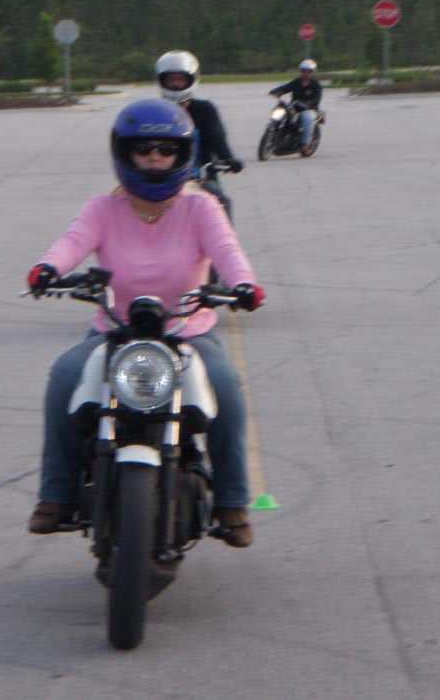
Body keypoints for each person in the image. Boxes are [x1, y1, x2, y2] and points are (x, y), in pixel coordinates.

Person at [25, 98, 267, 548]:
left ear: (183, 153)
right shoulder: (103, 208)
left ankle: (232, 502)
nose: (155, 158)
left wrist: (244, 285)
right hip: (114, 332)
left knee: (226, 387)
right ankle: (56, 495)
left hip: (186, 333)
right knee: (64, 376)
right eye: (143, 149)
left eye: (166, 149)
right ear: (125, 152)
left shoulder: (202, 207)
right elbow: (71, 242)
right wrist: (47, 268)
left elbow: (228, 252)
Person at [155, 50, 244, 220]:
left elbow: (217, 137)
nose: (176, 84)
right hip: (162, 180)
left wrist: (228, 158)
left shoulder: (204, 109)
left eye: (180, 79)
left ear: (191, 80)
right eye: (171, 80)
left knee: (221, 201)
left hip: (201, 177)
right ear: (162, 81)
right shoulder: (154, 111)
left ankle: (225, 238)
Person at [268, 59, 323, 156]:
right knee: (281, 113)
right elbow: (286, 87)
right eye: (304, 71)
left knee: (307, 118)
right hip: (295, 107)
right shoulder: (297, 82)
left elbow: (316, 99)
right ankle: (277, 134)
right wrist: (275, 91)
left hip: (309, 109)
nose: (306, 73)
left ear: (313, 72)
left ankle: (305, 144)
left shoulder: (316, 85)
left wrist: (309, 103)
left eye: (309, 71)